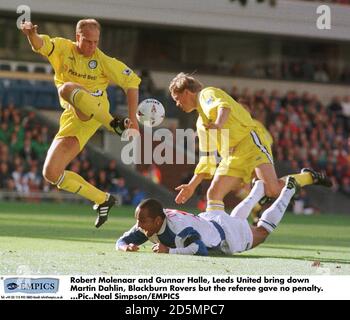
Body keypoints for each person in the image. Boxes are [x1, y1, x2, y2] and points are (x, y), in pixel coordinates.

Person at [20, 19, 141, 227]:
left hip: (98, 109)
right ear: (77, 37)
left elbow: (132, 82)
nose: (92, 46)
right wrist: (31, 34)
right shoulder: (63, 47)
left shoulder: (102, 60)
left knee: (65, 88)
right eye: (87, 41)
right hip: (73, 116)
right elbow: (41, 44)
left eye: (96, 42)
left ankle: (115, 124)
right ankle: (103, 199)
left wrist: (134, 122)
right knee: (51, 173)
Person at [168, 72, 331, 218]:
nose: (177, 104)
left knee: (273, 190)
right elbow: (208, 160)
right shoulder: (200, 123)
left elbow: (224, 108)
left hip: (250, 142)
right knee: (214, 193)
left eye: (177, 99)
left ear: (187, 92)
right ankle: (218, 235)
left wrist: (218, 124)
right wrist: (191, 186)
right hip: (233, 156)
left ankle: (308, 176)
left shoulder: (206, 93)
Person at [116, 177, 297, 256]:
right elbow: (121, 241)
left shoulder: (178, 228)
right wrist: (127, 247)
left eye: (142, 221)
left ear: (157, 220)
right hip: (210, 219)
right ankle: (257, 188)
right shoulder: (150, 223)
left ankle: (288, 191)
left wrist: (169, 251)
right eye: (138, 220)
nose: (139, 225)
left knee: (262, 232)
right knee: (238, 221)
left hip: (224, 235)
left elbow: (199, 249)